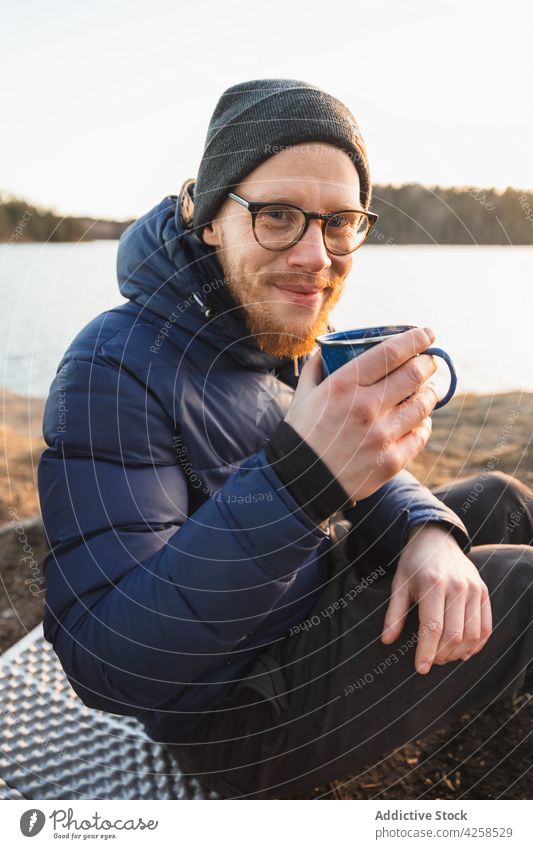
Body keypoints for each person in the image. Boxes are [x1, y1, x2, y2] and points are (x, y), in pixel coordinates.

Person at [37, 79, 533, 800]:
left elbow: (337, 463)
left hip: (296, 610)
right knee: (520, 586)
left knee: (497, 501)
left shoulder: (270, 327)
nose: (315, 255)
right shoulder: (111, 365)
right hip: (233, 717)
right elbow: (111, 660)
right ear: (209, 218)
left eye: (339, 222)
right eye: (277, 216)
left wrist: (424, 530)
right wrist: (301, 481)